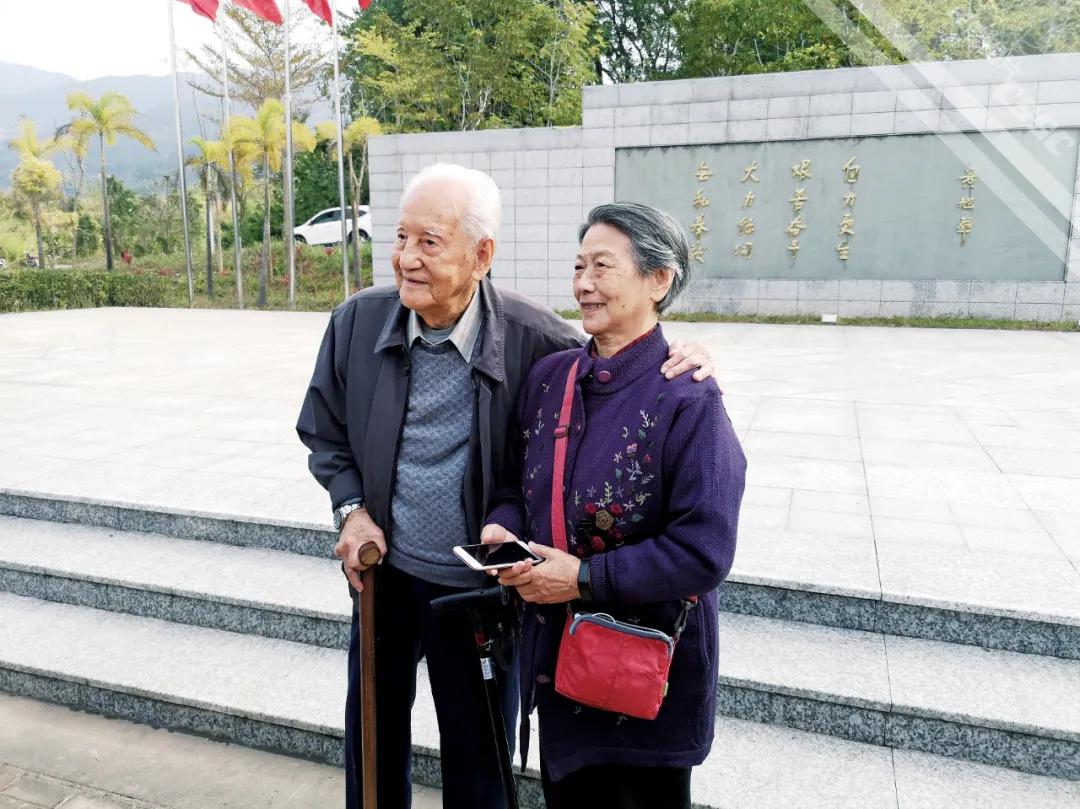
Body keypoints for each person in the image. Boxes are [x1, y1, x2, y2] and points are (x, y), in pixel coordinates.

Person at [295, 165, 717, 809]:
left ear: (481, 254)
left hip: (478, 596)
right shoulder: (357, 322)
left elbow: (617, 362)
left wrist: (685, 359)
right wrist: (351, 510)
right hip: (384, 579)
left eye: (429, 242)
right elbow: (324, 430)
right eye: (401, 237)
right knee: (372, 741)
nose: (406, 258)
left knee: (479, 756)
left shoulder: (537, 342)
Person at [483, 202, 746, 809]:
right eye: (579, 266)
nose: (583, 283)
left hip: (644, 681)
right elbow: (513, 484)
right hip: (559, 667)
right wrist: (504, 529)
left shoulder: (689, 399)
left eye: (603, 266)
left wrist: (581, 577)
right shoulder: (550, 379)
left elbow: (704, 551)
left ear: (659, 279)